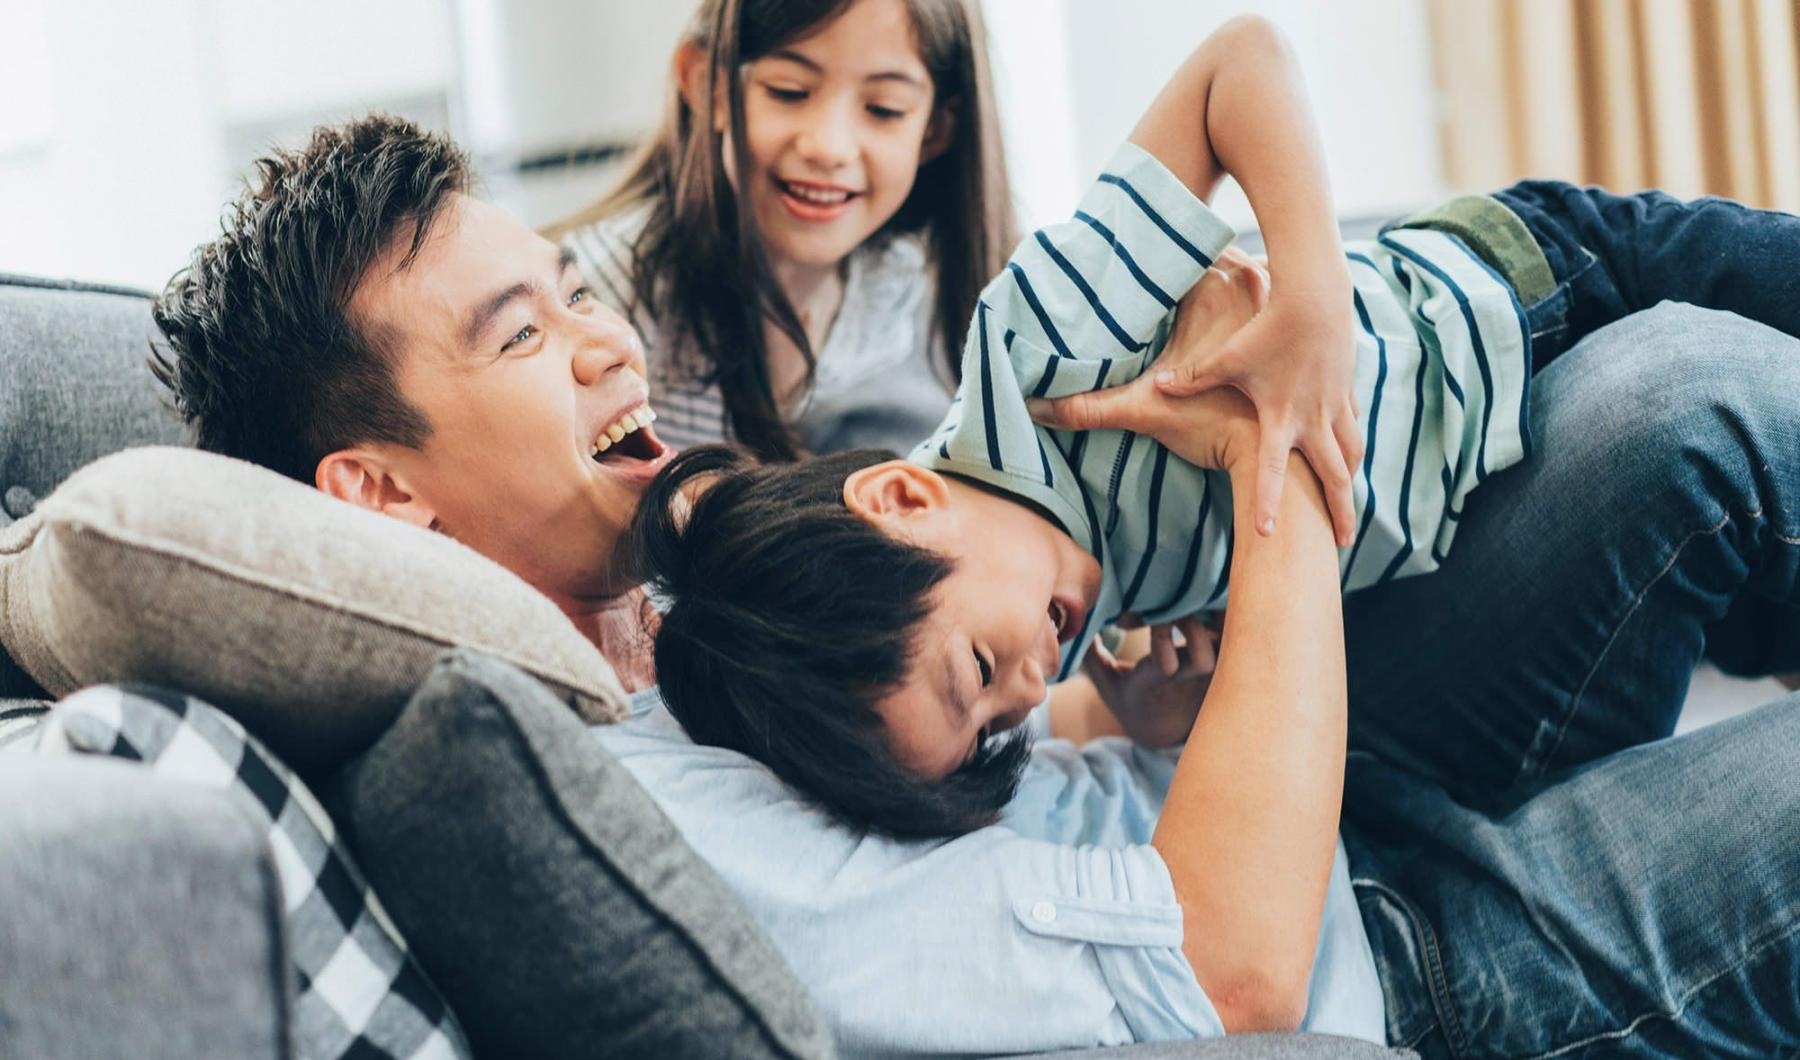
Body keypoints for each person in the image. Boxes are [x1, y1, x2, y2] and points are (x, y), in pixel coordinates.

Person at [149, 87, 1800, 1060]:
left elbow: (973, 729)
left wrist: (1098, 698)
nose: (601, 346)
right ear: (378, 493)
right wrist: (1264, 451)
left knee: (1688, 399)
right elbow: (1227, 963)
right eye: (522, 335)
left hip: (1299, 768)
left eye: (568, 290)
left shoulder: (656, 602)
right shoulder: (613, 799)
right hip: (1395, 954)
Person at [628, 17, 1800, 836]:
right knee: (1737, 592)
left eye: (982, 673)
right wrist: (1137, 713)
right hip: (1483, 495)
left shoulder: (1033, 353)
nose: (1027, 691)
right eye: (997, 725)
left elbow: (1240, 62)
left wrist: (1312, 300)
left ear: (898, 501)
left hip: (1521, 294)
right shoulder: (1046, 603)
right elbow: (1064, 696)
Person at [551, 0, 1015, 460]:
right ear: (706, 84)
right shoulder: (601, 298)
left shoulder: (911, 287)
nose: (828, 147)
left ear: (935, 130)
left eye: (884, 109)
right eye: (789, 92)